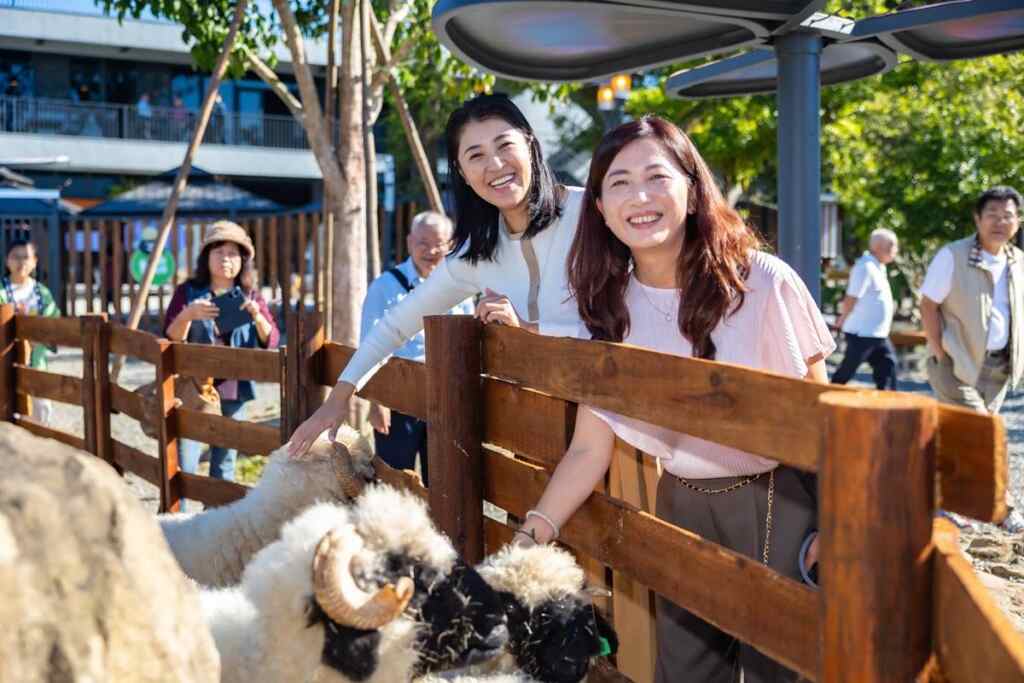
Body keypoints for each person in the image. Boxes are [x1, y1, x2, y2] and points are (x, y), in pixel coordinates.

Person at [513, 117, 834, 683]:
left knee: (782, 672)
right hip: (680, 503)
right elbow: (590, 447)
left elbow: (824, 417)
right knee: (685, 673)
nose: (640, 197)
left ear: (691, 187)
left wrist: (835, 530)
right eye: (619, 183)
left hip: (778, 504)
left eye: (657, 177)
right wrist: (532, 532)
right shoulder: (609, 304)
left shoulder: (762, 282)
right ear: (601, 209)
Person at [288, 93, 584, 457]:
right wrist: (337, 400)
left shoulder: (591, 214)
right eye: (475, 155)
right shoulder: (475, 254)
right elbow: (393, 327)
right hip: (535, 435)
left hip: (618, 423)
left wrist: (528, 331)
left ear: (530, 143)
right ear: (461, 171)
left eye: (505, 145)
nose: (494, 164)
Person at [164, 221, 279, 493]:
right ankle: (177, 518)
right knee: (184, 461)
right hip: (195, 388)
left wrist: (256, 315)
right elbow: (170, 336)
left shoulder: (251, 296)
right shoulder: (188, 292)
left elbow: (271, 340)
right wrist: (188, 315)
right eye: (219, 252)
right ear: (207, 256)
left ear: (242, 261)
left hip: (234, 389)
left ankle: (215, 519)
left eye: (233, 253)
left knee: (225, 462)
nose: (226, 259)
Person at [362, 212, 474, 485]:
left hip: (445, 398)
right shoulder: (385, 286)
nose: (431, 251)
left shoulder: (460, 288)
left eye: (439, 243)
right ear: (410, 242)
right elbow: (369, 345)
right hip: (397, 398)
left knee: (444, 481)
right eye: (423, 243)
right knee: (394, 481)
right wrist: (376, 402)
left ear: (451, 245)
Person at [921, 186, 1024, 415]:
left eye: (1007, 216)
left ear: (1018, 221)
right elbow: (928, 305)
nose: (1000, 222)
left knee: (969, 441)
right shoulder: (953, 256)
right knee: (981, 430)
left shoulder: (1018, 262)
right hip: (957, 366)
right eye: (992, 215)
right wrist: (940, 356)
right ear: (977, 219)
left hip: (1000, 370)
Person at [830, 228, 899, 389]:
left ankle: (888, 404)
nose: (896, 250)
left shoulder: (878, 267)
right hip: (862, 334)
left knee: (888, 366)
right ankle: (823, 398)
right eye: (894, 246)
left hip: (877, 333)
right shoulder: (865, 267)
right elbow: (851, 297)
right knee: (846, 371)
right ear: (882, 247)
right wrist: (842, 319)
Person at [0, 239, 60, 424]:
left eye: (26, 257)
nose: (21, 262)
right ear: (6, 261)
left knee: (41, 413)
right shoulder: (1, 290)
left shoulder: (43, 293)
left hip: (36, 363)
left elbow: (53, 323)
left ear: (34, 261)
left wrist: (39, 336)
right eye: (15, 257)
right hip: (3, 366)